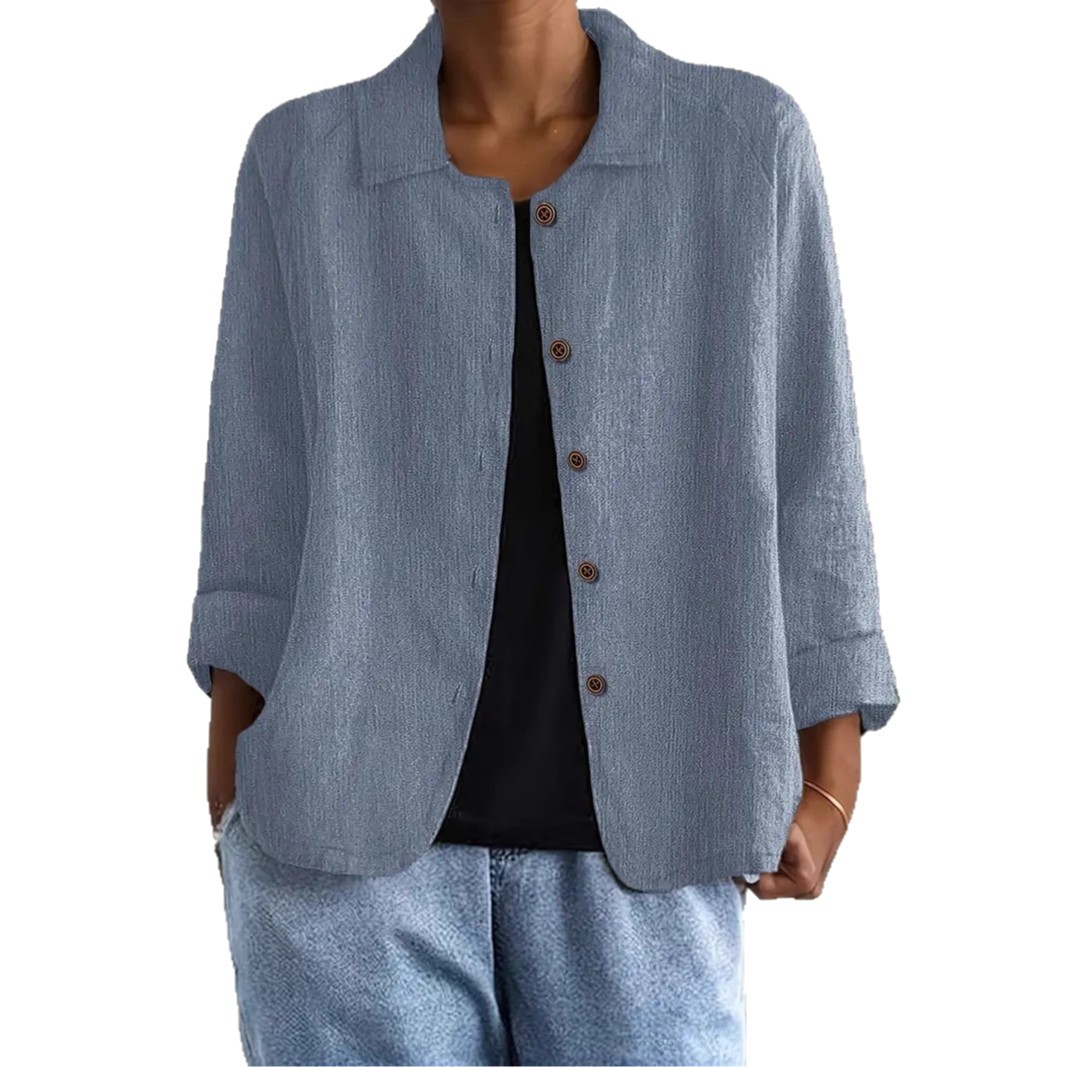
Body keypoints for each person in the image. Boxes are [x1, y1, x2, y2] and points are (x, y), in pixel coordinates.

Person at [189, 3, 901, 1064]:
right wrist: (235, 803)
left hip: (654, 849)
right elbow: (257, 500)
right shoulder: (305, 159)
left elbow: (812, 471)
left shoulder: (744, 143)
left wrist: (830, 777)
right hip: (338, 868)